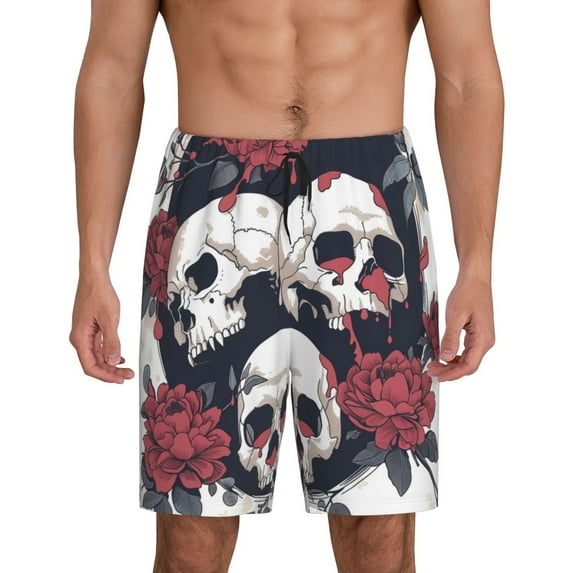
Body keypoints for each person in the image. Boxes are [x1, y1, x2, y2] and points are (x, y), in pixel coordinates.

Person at [69, 0, 503, 571]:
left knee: (379, 529)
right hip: (211, 205)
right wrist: (92, 265)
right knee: (191, 532)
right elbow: (112, 74)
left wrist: (478, 266)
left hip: (365, 197)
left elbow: (468, 76)